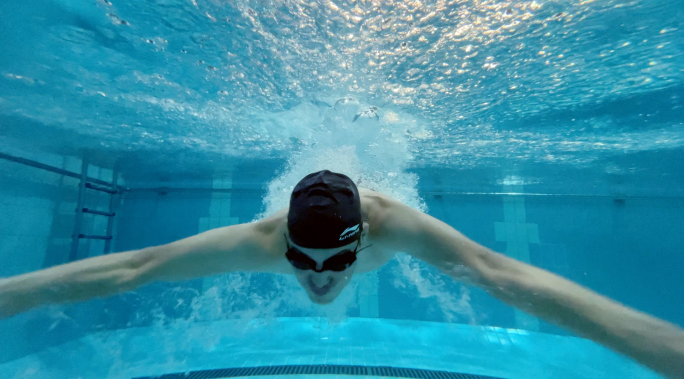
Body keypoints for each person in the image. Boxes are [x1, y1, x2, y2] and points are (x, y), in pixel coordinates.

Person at [0, 170, 682, 377]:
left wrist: (654, 341)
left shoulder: (397, 227)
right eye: (304, 261)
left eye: (339, 262)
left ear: (364, 243)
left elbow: (498, 273)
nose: (320, 280)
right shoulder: (262, 242)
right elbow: (135, 266)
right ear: (284, 242)